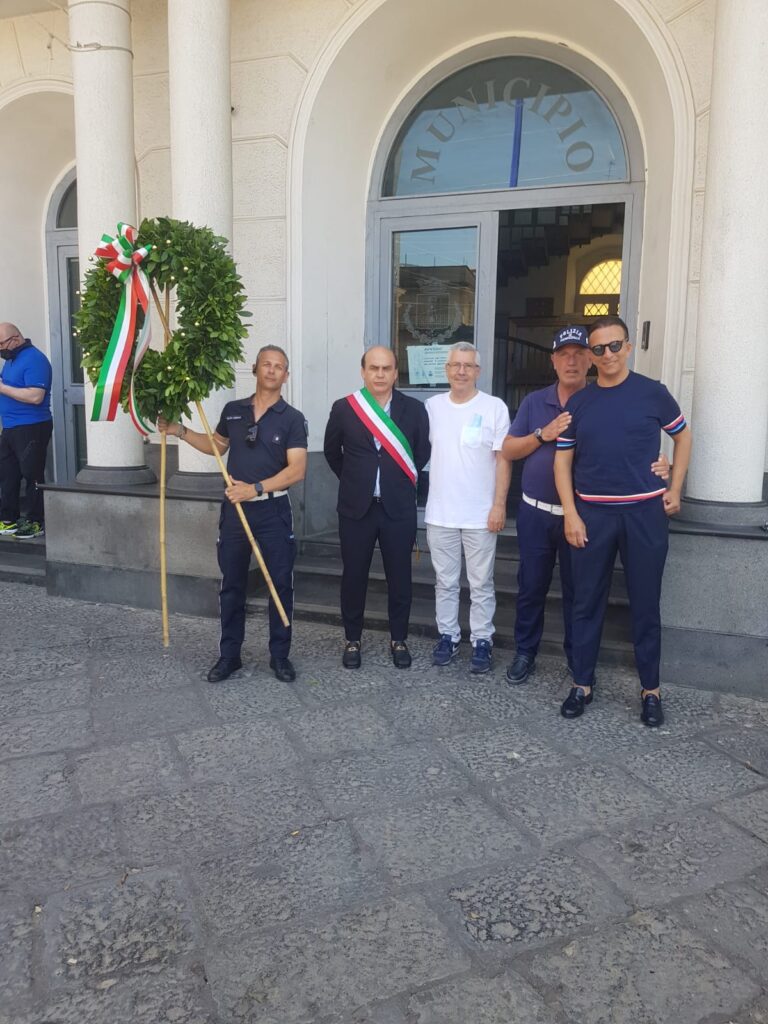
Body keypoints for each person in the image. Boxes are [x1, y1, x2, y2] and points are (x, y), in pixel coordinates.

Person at [502, 325, 670, 687]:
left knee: (580, 595)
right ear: (553, 360)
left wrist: (663, 465)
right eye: (564, 354)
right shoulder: (535, 402)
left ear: (592, 360)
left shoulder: (601, 399)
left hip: (584, 517)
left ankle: (576, 662)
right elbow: (508, 450)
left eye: (580, 353)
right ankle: (525, 653)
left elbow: (631, 444)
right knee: (531, 587)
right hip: (537, 513)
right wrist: (541, 434)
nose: (572, 360)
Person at [554, 315, 692, 727]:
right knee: (585, 601)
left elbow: (682, 436)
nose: (608, 355)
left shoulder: (654, 394)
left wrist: (676, 486)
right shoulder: (580, 401)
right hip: (592, 514)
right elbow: (562, 462)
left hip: (645, 513)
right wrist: (571, 515)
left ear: (629, 347)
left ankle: (651, 690)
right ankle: (582, 683)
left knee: (646, 603)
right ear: (591, 357)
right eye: (599, 349)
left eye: (615, 346)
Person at [158, 345, 307, 684]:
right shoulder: (234, 410)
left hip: (273, 511)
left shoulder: (292, 419)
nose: (272, 370)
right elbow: (217, 446)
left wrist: (255, 488)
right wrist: (178, 430)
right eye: (266, 364)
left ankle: (280, 656)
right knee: (232, 585)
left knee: (280, 584)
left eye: (279, 366)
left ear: (286, 375)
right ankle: (229, 656)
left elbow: (297, 470)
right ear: (254, 369)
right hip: (236, 512)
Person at [323, 345, 430, 669]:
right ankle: (352, 639)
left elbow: (421, 453)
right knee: (354, 576)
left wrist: (395, 480)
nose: (380, 374)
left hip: (398, 508)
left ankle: (399, 638)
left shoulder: (414, 410)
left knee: (400, 578)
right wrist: (358, 480)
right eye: (374, 368)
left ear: (396, 373)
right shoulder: (345, 408)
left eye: (386, 369)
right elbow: (331, 452)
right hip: (357, 508)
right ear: (363, 371)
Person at [425, 342, 511, 674]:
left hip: (480, 514)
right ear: (446, 370)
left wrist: (499, 505)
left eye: (468, 366)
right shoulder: (431, 407)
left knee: (481, 583)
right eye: (456, 365)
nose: (461, 371)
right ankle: (447, 635)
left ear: (478, 371)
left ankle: (482, 641)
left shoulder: (494, 407)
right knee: (444, 582)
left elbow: (503, 460)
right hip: (440, 513)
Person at [0, 324, 53, 540]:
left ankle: (36, 521)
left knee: (32, 474)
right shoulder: (11, 361)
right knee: (8, 475)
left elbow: (35, 396)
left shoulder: (35, 359)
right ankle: (8, 518)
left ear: (15, 338)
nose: (0, 350)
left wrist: (2, 388)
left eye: (1, 345)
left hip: (32, 426)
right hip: (10, 427)